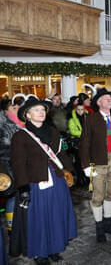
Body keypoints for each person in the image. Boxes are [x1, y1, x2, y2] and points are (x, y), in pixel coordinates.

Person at [11, 96, 76, 264]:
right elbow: (18, 163)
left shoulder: (53, 132)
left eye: (43, 110)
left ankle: (54, 247)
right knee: (39, 218)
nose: (41, 113)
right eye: (36, 110)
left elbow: (61, 153)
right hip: (36, 181)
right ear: (27, 115)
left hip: (57, 178)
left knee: (56, 214)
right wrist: (23, 186)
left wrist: (69, 171)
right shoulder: (20, 136)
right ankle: (40, 252)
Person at [80, 88, 111, 242]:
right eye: (106, 98)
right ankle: (99, 227)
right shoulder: (91, 119)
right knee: (98, 196)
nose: (110, 100)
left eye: (110, 98)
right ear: (99, 103)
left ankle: (108, 223)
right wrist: (86, 165)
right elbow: (84, 144)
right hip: (98, 163)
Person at [0, 99, 23, 234]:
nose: (17, 109)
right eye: (13, 108)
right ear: (6, 111)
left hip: (20, 165)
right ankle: (12, 228)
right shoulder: (3, 126)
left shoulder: (19, 123)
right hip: (8, 167)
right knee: (12, 196)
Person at [68, 102, 89, 186]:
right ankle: (81, 179)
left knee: (87, 161)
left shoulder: (88, 117)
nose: (80, 112)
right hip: (78, 143)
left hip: (87, 142)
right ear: (76, 110)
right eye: (79, 110)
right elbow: (73, 131)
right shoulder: (72, 119)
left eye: (82, 110)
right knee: (79, 162)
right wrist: (84, 133)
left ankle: (87, 177)